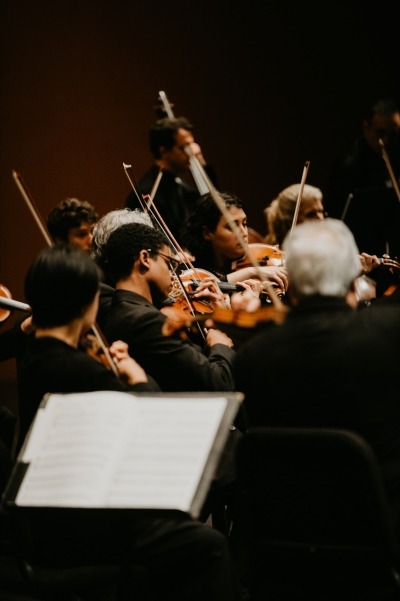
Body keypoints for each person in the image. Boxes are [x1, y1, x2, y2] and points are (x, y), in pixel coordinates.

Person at [13, 242, 240, 601]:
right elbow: (142, 427)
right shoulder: (81, 369)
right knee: (206, 544)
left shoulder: (33, 359)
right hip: (81, 524)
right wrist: (136, 378)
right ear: (86, 302)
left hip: (40, 520)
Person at [232, 218, 400, 545]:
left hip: (292, 541)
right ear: (354, 280)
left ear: (290, 284)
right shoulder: (389, 333)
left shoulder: (253, 357)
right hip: (382, 534)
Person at [99, 222, 236, 392]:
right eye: (169, 264)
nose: (173, 274)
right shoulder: (147, 321)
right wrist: (219, 344)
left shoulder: (119, 313)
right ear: (145, 259)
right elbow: (218, 383)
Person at [125, 116, 219, 246]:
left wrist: (202, 163)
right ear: (163, 151)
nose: (191, 152)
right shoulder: (149, 192)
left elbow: (213, 205)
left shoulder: (178, 185)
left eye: (191, 145)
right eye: (183, 147)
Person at [180, 191, 289, 303]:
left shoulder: (249, 263)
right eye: (232, 226)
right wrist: (252, 271)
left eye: (244, 224)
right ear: (207, 233)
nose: (244, 233)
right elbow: (210, 284)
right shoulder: (193, 274)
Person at [326, 97, 400, 259]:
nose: (386, 140)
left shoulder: (392, 158)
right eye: (380, 132)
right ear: (366, 126)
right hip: (356, 252)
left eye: (393, 134)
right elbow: (340, 219)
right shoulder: (348, 165)